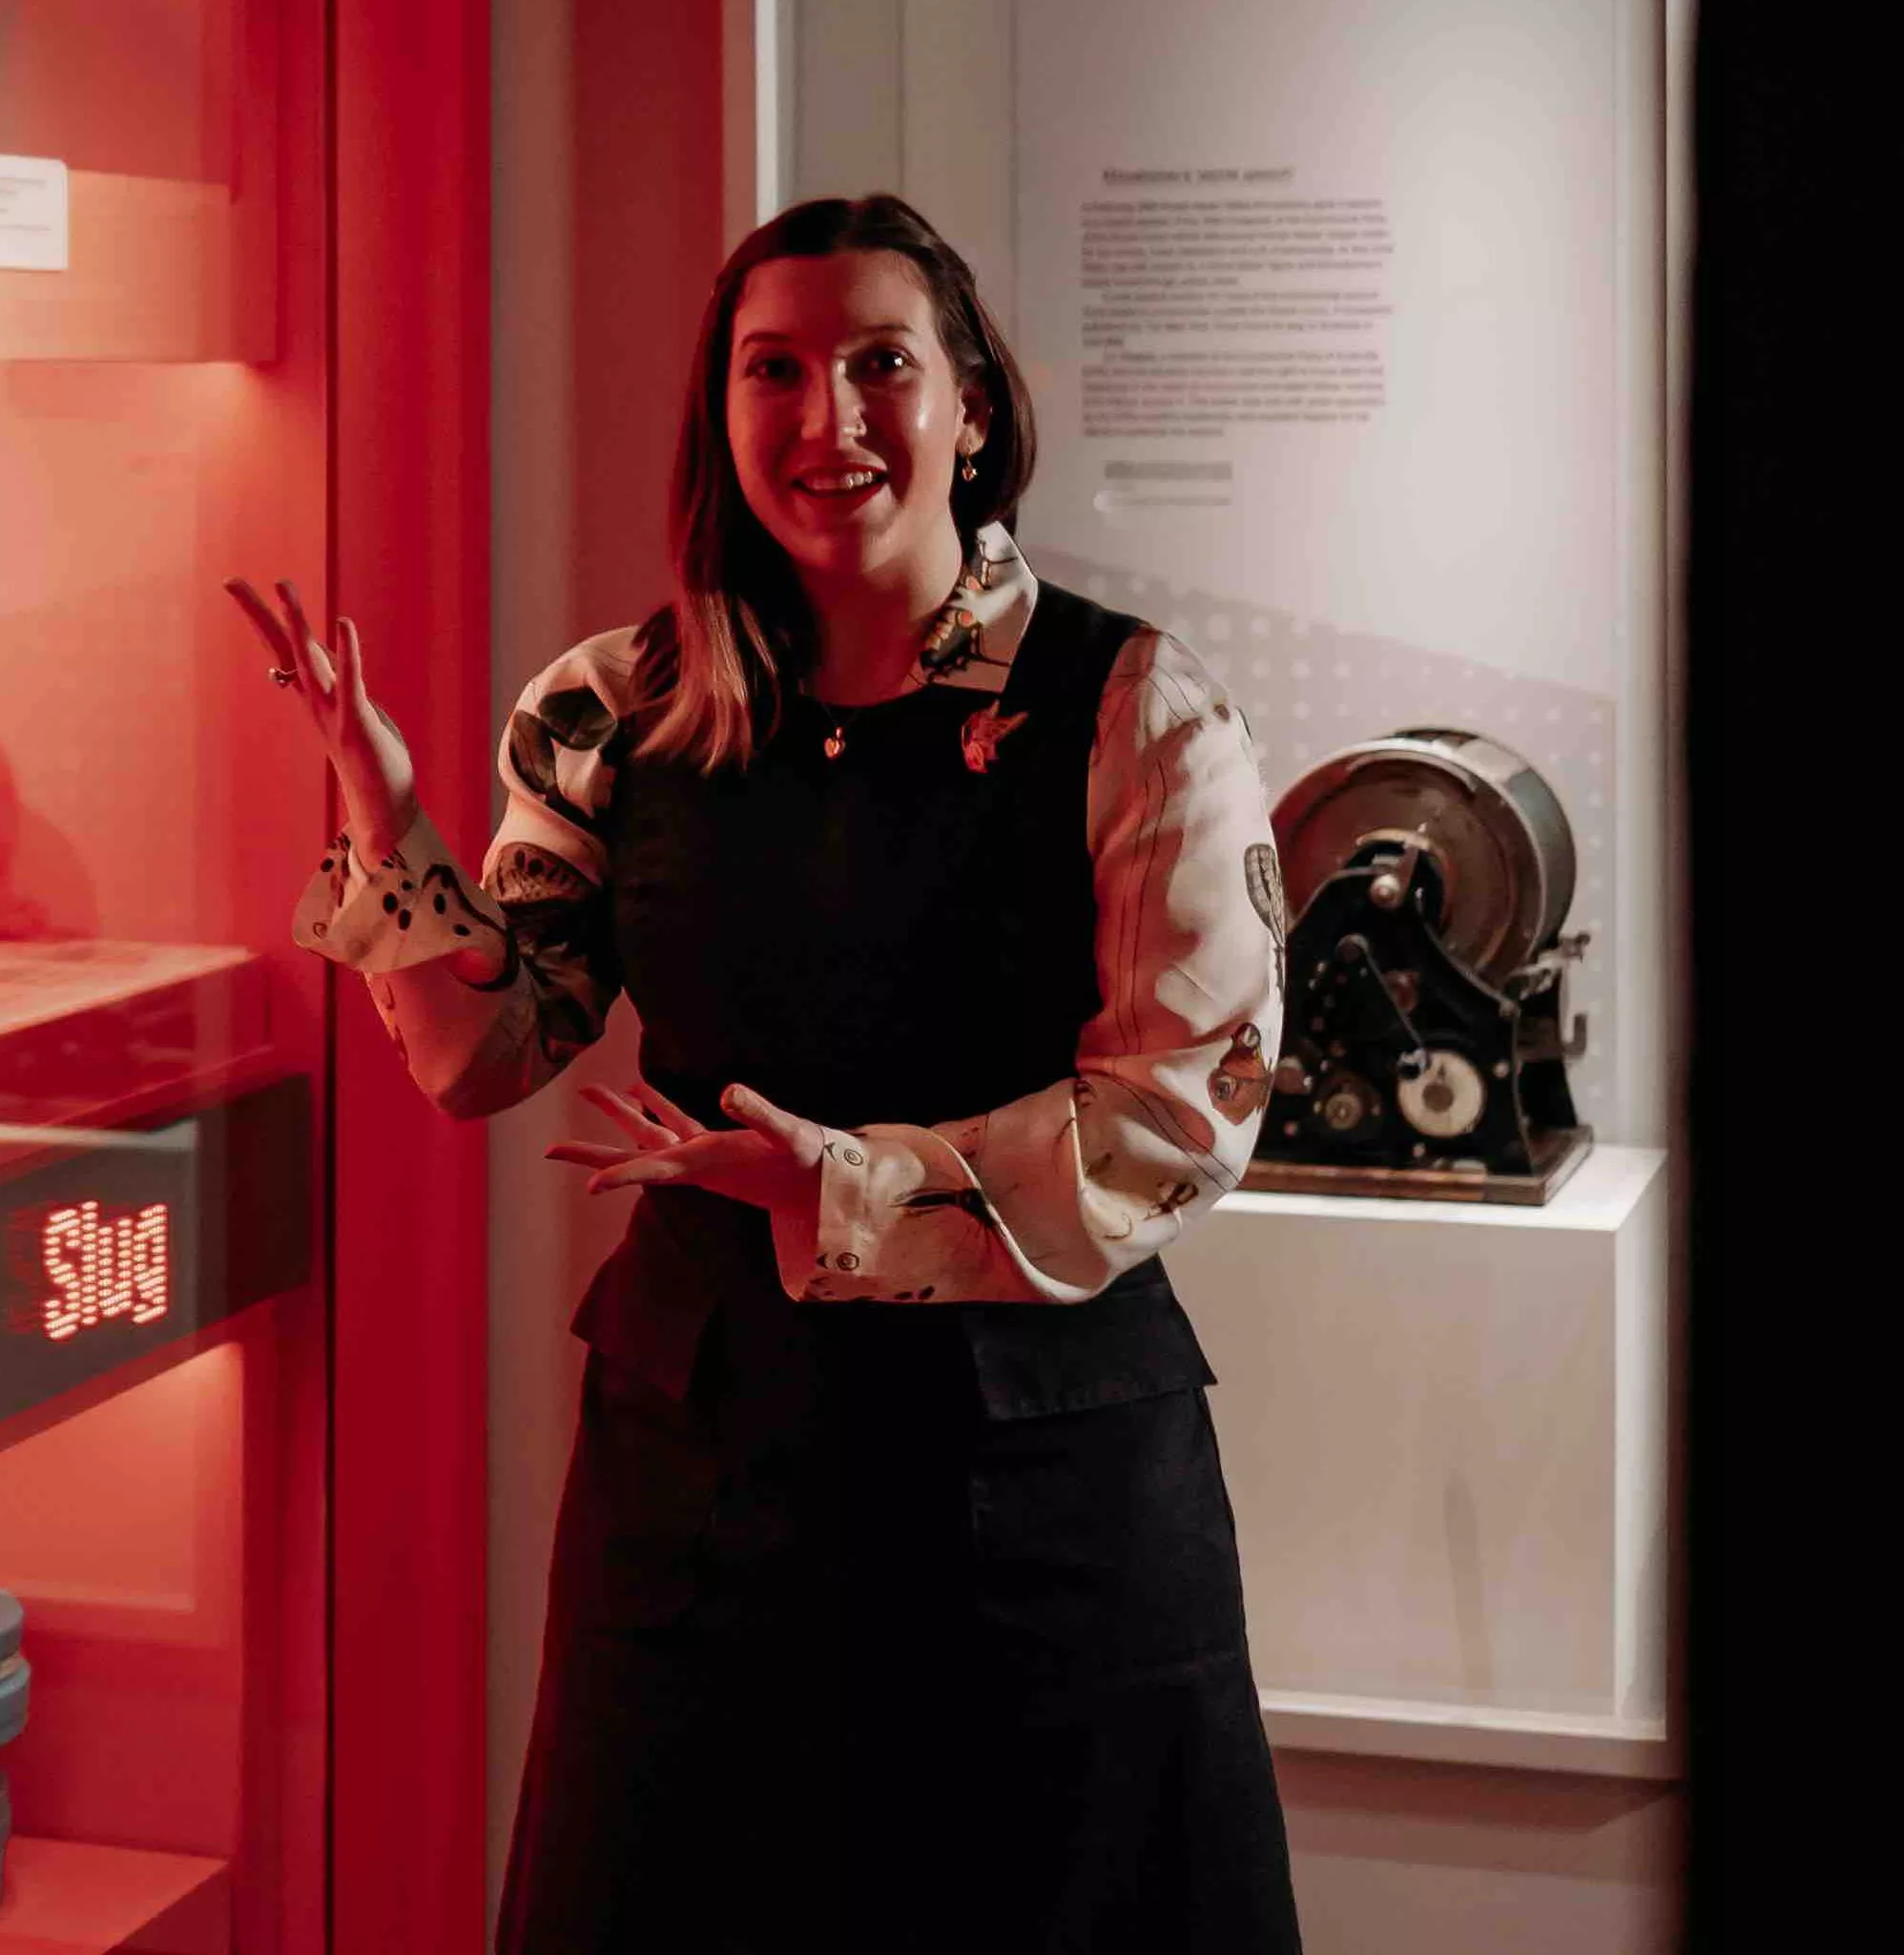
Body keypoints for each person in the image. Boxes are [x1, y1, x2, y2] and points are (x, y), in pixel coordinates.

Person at [232, 194, 1304, 1950]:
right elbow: (490, 1051)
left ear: (972, 406)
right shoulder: (612, 707)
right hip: (701, 1476)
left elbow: (1183, 1119)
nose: (830, 421)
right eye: (774, 370)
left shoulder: (1136, 712)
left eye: (884, 364)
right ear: (722, 418)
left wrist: (848, 1188)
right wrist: (388, 814)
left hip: (1040, 1495)